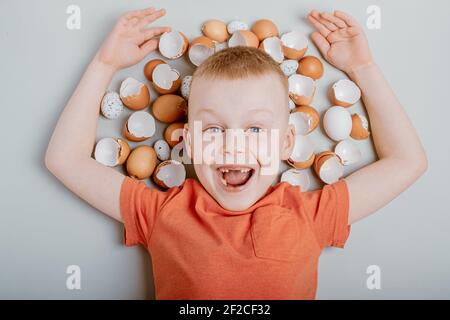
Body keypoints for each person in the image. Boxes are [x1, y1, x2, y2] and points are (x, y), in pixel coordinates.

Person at [45, 7, 427, 299]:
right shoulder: (162, 213)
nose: (234, 145)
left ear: (286, 145)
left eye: (256, 129)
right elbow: (65, 160)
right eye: (213, 129)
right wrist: (104, 65)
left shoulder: (310, 217)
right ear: (188, 143)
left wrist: (363, 67)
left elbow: (408, 162)